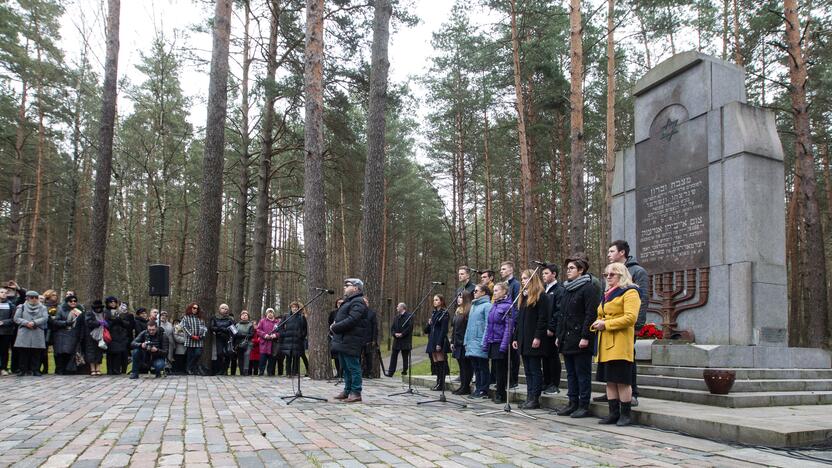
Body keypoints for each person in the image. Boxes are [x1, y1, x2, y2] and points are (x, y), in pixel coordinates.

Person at [594, 262, 640, 426]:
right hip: (605, 342)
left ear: (621, 275)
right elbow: (602, 313)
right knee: (610, 380)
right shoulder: (607, 294)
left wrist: (606, 324)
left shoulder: (630, 292)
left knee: (622, 380)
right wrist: (598, 322)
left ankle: (625, 414)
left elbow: (630, 318)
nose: (608, 277)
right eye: (606, 274)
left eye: (612, 274)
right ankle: (613, 413)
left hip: (620, 342)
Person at [555, 256, 600, 418]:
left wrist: (586, 336)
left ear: (581, 270)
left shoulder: (589, 288)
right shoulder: (567, 288)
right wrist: (559, 335)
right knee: (571, 373)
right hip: (567, 338)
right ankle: (572, 402)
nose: (568, 270)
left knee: (582, 373)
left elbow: (591, 314)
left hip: (581, 338)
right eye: (567, 268)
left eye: (572, 268)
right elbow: (562, 314)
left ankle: (583, 404)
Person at [606, 239, 649, 407]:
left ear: (621, 252)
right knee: (613, 361)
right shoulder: (611, 272)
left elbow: (643, 298)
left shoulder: (637, 271)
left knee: (628, 359)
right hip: (611, 326)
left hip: (628, 325)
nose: (609, 254)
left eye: (611, 251)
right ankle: (613, 393)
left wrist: (637, 324)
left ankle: (633, 393)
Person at [512, 270, 552, 409]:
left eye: (525, 278)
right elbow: (519, 320)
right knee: (528, 369)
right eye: (522, 278)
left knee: (535, 369)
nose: (522, 281)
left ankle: (535, 398)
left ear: (532, 279)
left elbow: (543, 319)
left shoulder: (541, 297)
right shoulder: (523, 297)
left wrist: (537, 336)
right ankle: (529, 397)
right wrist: (516, 337)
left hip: (534, 338)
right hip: (523, 338)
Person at [330, 278, 371, 403]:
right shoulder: (349, 301)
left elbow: (352, 320)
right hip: (343, 339)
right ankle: (347, 390)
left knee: (353, 367)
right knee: (345, 367)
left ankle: (356, 392)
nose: (344, 287)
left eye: (347, 285)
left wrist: (335, 327)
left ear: (355, 288)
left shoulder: (358, 302)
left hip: (352, 340)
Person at [482, 282, 514, 403]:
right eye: (494, 290)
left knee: (501, 370)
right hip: (492, 341)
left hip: (501, 341)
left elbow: (508, 328)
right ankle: (498, 392)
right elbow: (489, 326)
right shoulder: (494, 306)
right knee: (495, 369)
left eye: (496, 291)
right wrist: (486, 341)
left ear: (504, 292)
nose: (494, 293)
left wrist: (504, 344)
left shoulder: (508, 306)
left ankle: (501, 394)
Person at [465, 284, 491, 399]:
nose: (474, 292)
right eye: (474, 291)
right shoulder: (473, 306)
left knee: (482, 367)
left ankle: (483, 390)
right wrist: (466, 340)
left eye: (476, 291)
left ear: (484, 292)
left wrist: (484, 341)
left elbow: (487, 325)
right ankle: (478, 388)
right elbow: (469, 326)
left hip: (480, 341)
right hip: (471, 342)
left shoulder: (487, 306)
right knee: (476, 367)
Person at [13, 291, 48, 376]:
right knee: (23, 352)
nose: (34, 299)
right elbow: (16, 318)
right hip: (24, 331)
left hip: (37, 331)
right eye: (32, 297)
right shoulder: (22, 307)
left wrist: (34, 322)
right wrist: (26, 323)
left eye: (36, 297)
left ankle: (35, 370)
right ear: (27, 298)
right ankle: (22, 370)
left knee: (36, 352)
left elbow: (45, 317)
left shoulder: (42, 307)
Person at [542, 263, 564, 395]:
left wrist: (552, 327)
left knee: (553, 356)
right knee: (545, 356)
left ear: (554, 274)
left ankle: (554, 384)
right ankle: (546, 381)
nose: (543, 276)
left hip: (552, 330)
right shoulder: (544, 289)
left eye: (546, 273)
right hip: (543, 329)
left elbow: (558, 311)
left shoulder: (559, 290)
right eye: (543, 273)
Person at [499, 261, 521, 388]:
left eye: (504, 269)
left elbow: (516, 306)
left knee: (513, 354)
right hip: (504, 323)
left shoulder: (516, 285)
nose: (501, 271)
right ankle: (506, 379)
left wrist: (514, 323)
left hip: (512, 322)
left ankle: (514, 380)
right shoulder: (503, 285)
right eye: (501, 269)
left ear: (511, 270)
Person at [51, 295, 83, 374]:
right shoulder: (61, 309)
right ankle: (59, 370)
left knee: (70, 353)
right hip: (62, 334)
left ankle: (68, 369)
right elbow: (55, 321)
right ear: (67, 302)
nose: (73, 302)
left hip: (73, 334)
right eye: (71, 301)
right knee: (61, 353)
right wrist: (66, 323)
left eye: (75, 301)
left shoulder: (79, 311)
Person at [424, 294, 450, 391]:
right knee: (435, 361)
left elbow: (444, 330)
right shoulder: (434, 313)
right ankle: (438, 381)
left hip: (439, 339)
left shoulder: (444, 313)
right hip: (432, 339)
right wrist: (429, 323)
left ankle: (441, 383)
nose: (434, 301)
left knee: (441, 361)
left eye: (437, 300)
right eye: (434, 300)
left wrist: (439, 343)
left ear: (441, 301)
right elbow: (427, 330)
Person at [451, 292, 473, 395]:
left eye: (460, 297)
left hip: (464, 342)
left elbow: (468, 328)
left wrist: (466, 341)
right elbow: (454, 328)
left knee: (466, 366)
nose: (458, 299)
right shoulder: (458, 311)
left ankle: (466, 386)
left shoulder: (468, 310)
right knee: (461, 366)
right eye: (457, 297)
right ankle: (462, 386)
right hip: (457, 342)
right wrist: (452, 341)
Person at [278, 301, 307, 376]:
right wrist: (284, 334)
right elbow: (280, 326)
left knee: (296, 357)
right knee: (288, 358)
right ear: (290, 308)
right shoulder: (286, 316)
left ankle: (295, 373)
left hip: (297, 340)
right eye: (293, 307)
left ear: (298, 308)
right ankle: (288, 373)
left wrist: (301, 335)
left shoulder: (301, 317)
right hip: (287, 340)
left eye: (296, 307)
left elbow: (305, 329)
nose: (294, 308)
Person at [84, 299, 112, 376]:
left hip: (101, 335)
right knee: (91, 352)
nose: (98, 309)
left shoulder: (104, 314)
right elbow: (88, 323)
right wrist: (98, 323)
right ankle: (92, 369)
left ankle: (98, 368)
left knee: (99, 352)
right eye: (97, 308)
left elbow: (109, 323)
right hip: (91, 335)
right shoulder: (89, 313)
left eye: (99, 308)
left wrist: (106, 324)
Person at [106, 296, 132, 375]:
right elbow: (105, 324)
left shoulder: (121, 312)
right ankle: (110, 370)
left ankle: (117, 370)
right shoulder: (106, 312)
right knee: (110, 354)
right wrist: (112, 321)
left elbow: (127, 324)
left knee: (118, 354)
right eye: (111, 302)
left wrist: (120, 320)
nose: (113, 303)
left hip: (120, 336)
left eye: (114, 302)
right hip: (110, 335)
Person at [386, 302, 413, 377]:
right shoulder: (396, 317)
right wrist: (394, 334)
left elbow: (409, 328)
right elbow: (392, 328)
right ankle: (391, 372)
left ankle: (404, 371)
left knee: (405, 357)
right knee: (393, 356)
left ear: (402, 307)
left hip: (405, 340)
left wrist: (402, 334)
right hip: (397, 340)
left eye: (398, 306)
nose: (396, 308)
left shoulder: (409, 316)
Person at [181, 303, 207, 375]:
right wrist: (191, 335)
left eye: (197, 308)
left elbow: (204, 328)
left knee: (198, 354)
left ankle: (191, 367)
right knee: (190, 356)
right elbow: (184, 327)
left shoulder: (200, 318)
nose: (195, 309)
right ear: (190, 308)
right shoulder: (186, 317)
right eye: (194, 308)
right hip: (190, 340)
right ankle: (189, 369)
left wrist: (201, 336)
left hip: (199, 340)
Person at [211, 303, 235, 375]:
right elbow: (212, 327)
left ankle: (225, 370)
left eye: (226, 309)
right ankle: (219, 370)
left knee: (227, 354)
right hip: (219, 338)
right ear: (219, 309)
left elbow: (234, 330)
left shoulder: (230, 319)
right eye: (223, 308)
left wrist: (226, 330)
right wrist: (220, 329)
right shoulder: (215, 317)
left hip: (227, 338)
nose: (224, 310)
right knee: (219, 353)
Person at [256, 308, 279, 376]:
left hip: (273, 344)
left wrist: (275, 335)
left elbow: (280, 332)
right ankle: (261, 372)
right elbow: (258, 330)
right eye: (269, 312)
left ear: (273, 313)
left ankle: (270, 372)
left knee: (272, 360)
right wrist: (264, 335)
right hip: (264, 344)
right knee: (262, 359)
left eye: (271, 312)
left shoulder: (277, 322)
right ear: (266, 313)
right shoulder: (262, 321)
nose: (270, 313)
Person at [0, 288, 17, 375]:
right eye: (1, 292)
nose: (3, 294)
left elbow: (14, 319)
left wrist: (3, 322)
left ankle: (3, 368)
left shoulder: (11, 305)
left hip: (6, 332)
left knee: (4, 351)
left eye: (5, 293)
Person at [232, 310, 254, 376]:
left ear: (248, 317)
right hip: (238, 344)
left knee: (247, 356)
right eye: (243, 315)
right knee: (240, 358)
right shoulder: (237, 325)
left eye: (246, 315)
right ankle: (241, 372)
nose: (244, 316)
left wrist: (241, 335)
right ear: (240, 316)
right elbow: (235, 334)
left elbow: (251, 335)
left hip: (247, 343)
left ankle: (246, 372)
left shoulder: (250, 325)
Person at [361, 297, 379, 379]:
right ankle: (359, 372)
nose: (364, 304)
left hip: (368, 339)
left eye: (366, 302)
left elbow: (375, 327)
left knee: (368, 356)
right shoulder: (358, 312)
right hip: (359, 338)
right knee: (357, 356)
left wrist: (374, 339)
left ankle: (369, 372)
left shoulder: (372, 313)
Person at [328, 299, 343, 378]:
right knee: (336, 356)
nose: (340, 304)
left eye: (341, 303)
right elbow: (329, 323)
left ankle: (343, 373)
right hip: (333, 337)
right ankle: (338, 373)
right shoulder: (333, 313)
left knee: (343, 356)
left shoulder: (347, 312)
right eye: (338, 303)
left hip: (343, 337)